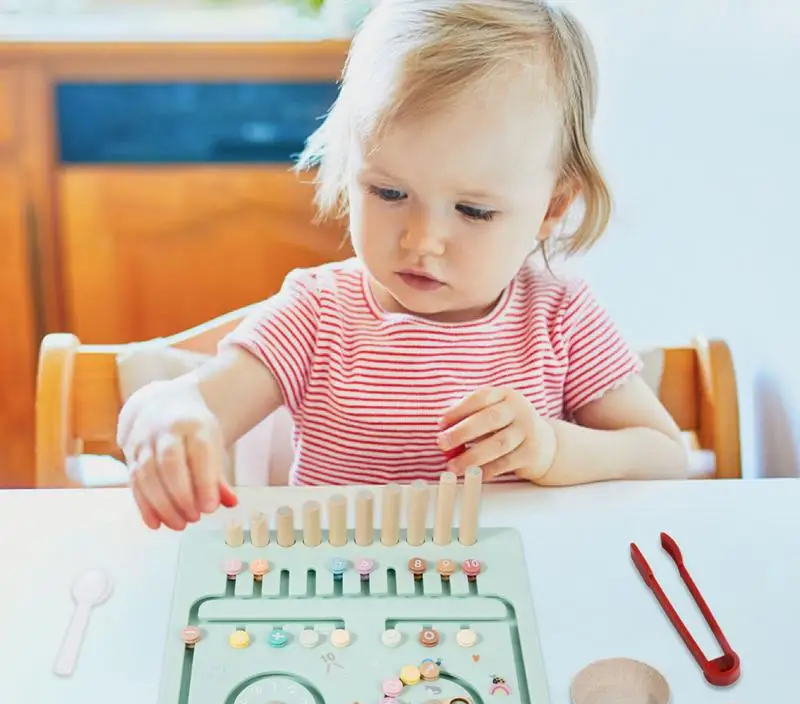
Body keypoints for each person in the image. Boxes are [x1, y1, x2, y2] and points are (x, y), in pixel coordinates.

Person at [117, 0, 688, 531]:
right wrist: (167, 413)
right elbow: (189, 398)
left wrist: (553, 448)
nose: (422, 240)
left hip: (516, 599)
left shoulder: (560, 318)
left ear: (552, 208)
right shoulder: (317, 314)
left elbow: (664, 455)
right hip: (343, 599)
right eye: (388, 193)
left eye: (473, 210)